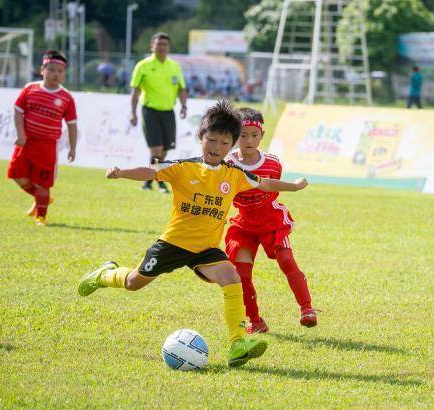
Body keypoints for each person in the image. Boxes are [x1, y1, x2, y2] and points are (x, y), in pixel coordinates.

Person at [77, 99, 309, 367]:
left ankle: (237, 343)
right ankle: (105, 274)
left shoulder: (233, 174)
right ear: (201, 137)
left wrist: (293, 186)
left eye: (224, 143)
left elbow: (265, 183)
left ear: (232, 145)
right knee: (133, 283)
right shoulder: (183, 167)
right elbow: (150, 171)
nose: (217, 148)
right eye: (211, 140)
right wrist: (121, 172)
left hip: (206, 249)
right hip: (173, 244)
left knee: (231, 277)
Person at [224, 107, 316, 334]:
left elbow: (270, 184)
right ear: (235, 135)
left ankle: (307, 309)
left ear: (262, 136)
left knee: (286, 260)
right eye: (243, 135)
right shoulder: (227, 164)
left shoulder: (272, 163)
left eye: (254, 135)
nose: (248, 140)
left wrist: (294, 187)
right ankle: (255, 321)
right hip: (243, 225)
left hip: (271, 220)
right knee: (242, 275)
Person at [7, 50, 77, 226]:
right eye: (52, 70)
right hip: (26, 142)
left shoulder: (66, 97)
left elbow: (72, 124)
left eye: (60, 71)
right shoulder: (30, 89)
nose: (55, 74)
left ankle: (41, 216)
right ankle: (43, 199)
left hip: (47, 146)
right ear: (42, 69)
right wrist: (20, 134)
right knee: (17, 175)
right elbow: (17, 111)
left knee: (42, 184)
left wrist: (72, 147)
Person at [129, 32, 187, 193]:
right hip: (150, 111)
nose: (161, 47)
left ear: (168, 47)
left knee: (165, 150)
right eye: (158, 44)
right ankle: (159, 181)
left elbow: (182, 88)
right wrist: (132, 113)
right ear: (151, 46)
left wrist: (184, 106)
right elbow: (135, 91)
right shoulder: (143, 65)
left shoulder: (174, 66)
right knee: (156, 150)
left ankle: (148, 181)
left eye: (164, 45)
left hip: (168, 112)